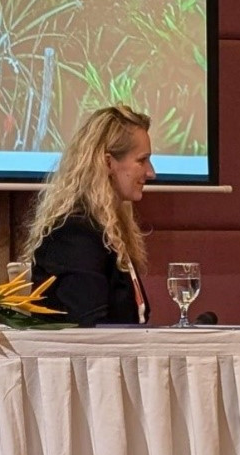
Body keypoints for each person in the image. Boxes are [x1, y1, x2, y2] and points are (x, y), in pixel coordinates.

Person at [23, 104, 155, 326]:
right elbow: (90, 332)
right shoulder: (74, 234)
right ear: (107, 162)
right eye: (142, 160)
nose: (151, 172)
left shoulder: (106, 229)